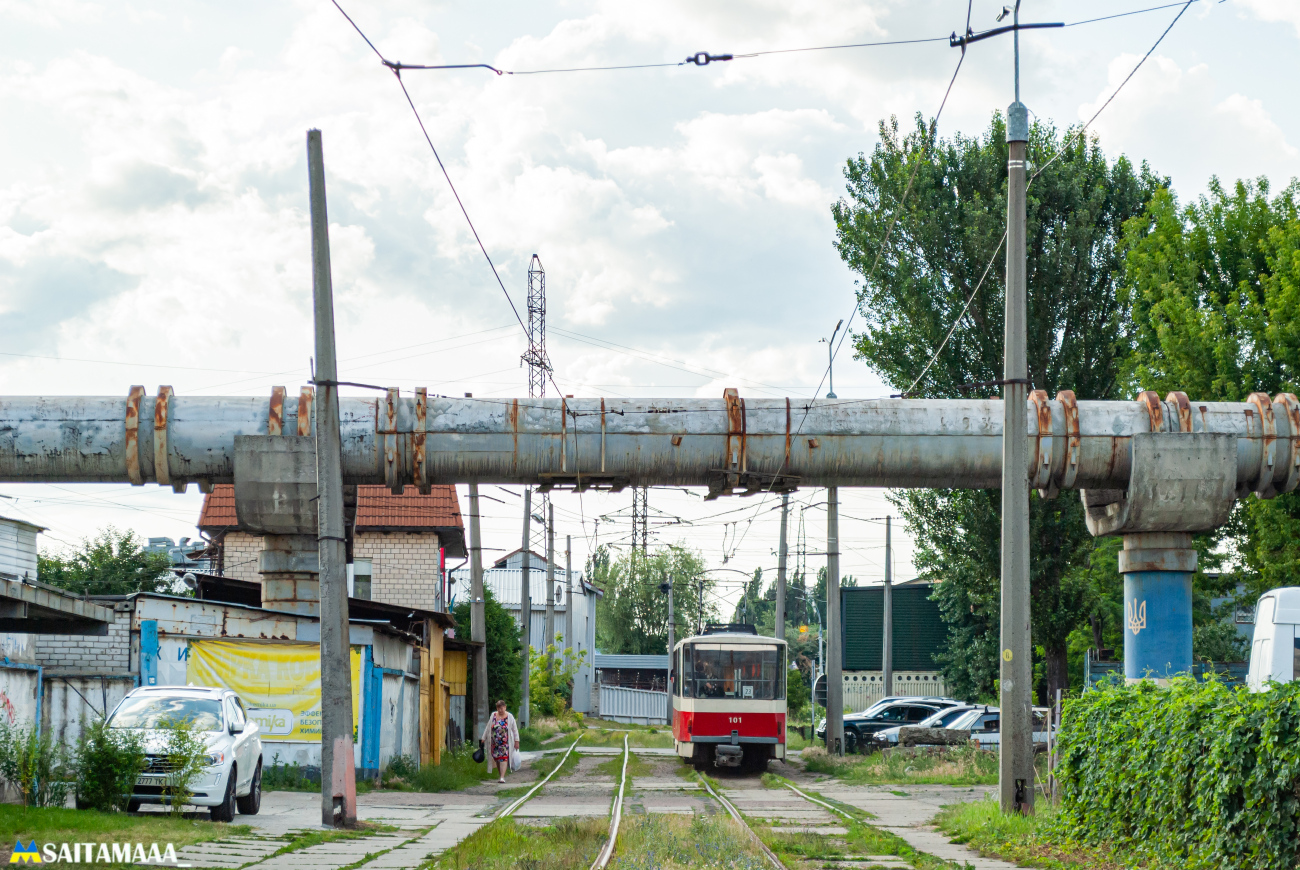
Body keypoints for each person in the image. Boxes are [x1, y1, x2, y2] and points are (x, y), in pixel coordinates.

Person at [479, 699, 519, 783]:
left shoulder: (510, 716)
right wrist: (483, 738)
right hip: (494, 742)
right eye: (499, 708)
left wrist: (516, 741)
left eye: (502, 708)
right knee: (497, 759)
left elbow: (514, 729)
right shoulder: (493, 715)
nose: (500, 710)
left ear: (505, 707)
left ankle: (502, 777)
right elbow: (488, 727)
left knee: (503, 758)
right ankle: (500, 774)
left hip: (505, 742)